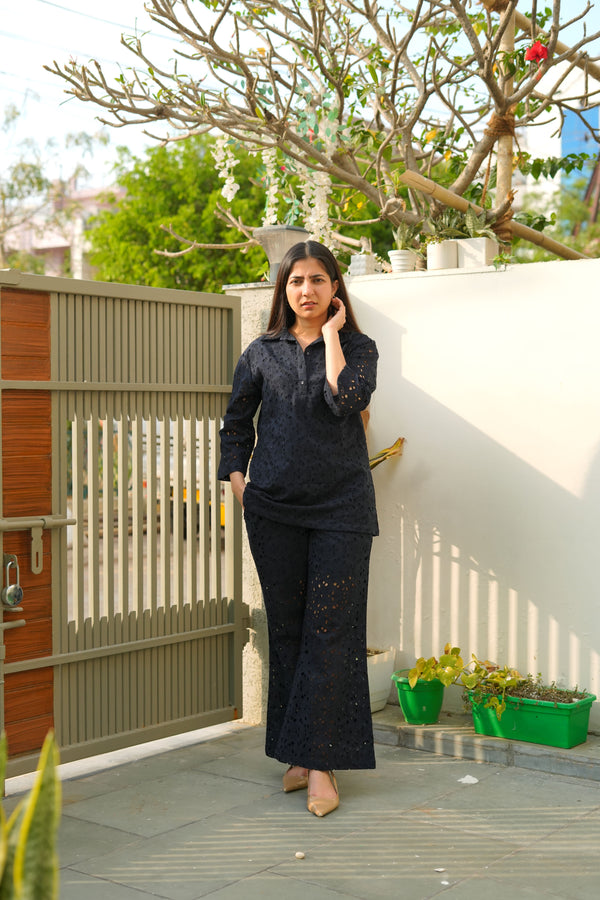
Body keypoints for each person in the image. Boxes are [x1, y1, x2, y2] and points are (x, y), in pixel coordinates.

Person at [218, 240, 378, 817]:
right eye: (295, 282)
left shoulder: (358, 347)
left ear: (335, 288)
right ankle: (297, 754)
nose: (306, 291)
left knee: (331, 634)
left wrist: (333, 337)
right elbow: (235, 424)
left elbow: (348, 401)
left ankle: (321, 765)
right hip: (274, 511)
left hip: (342, 510)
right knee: (287, 631)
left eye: (317, 280)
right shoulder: (260, 352)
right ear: (282, 290)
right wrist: (240, 484)